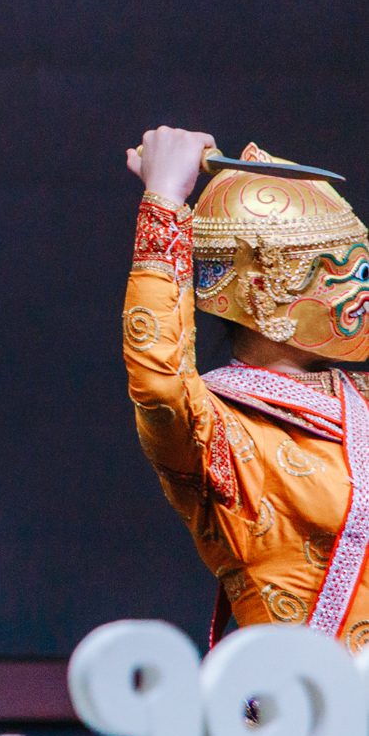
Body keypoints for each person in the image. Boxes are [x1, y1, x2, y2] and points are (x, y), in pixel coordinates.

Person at [123, 128, 369, 644]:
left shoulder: (358, 395)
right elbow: (160, 384)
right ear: (262, 287)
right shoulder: (219, 429)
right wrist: (165, 200)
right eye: (344, 270)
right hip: (303, 690)